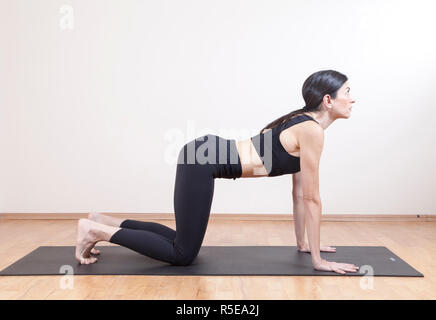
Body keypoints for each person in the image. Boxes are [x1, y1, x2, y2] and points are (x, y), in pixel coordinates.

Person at [75, 69, 359, 275]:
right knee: (182, 254)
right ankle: (96, 230)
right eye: (347, 92)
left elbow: (299, 194)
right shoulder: (311, 131)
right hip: (202, 160)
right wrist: (320, 261)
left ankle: (103, 220)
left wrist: (305, 244)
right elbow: (312, 199)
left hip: (202, 154)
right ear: (328, 100)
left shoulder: (303, 123)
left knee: (180, 241)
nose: (352, 99)